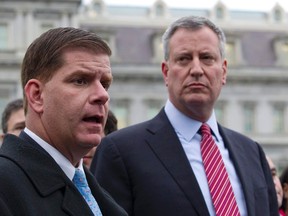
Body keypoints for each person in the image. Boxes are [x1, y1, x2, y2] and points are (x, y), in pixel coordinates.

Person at [91, 16, 278, 216]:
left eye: (207, 58)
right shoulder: (119, 151)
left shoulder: (252, 153)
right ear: (166, 72)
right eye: (184, 58)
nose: (196, 70)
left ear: (223, 71)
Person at [0, 27, 127, 216]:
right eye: (80, 81)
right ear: (36, 95)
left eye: (105, 84)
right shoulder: (6, 186)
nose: (102, 95)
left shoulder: (99, 194)